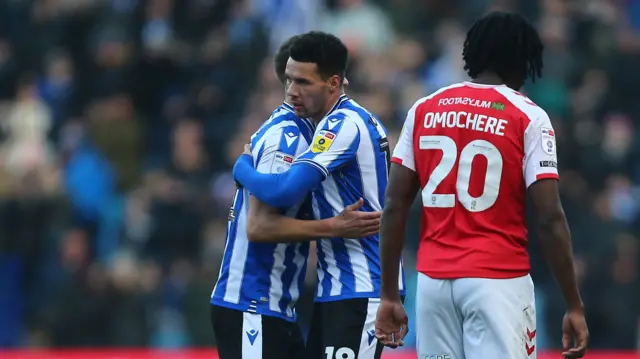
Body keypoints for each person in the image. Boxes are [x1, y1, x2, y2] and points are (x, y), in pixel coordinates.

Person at [374, 11, 589, 359]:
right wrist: (574, 304)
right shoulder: (528, 116)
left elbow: (395, 204)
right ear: (523, 61)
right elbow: (549, 218)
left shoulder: (424, 108)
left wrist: (388, 294)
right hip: (498, 280)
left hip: (432, 284)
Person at [233, 31, 404, 359]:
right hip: (336, 290)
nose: (291, 92)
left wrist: (242, 166)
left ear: (333, 83)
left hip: (361, 288)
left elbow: (284, 191)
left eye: (303, 83)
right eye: (288, 80)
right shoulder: (348, 120)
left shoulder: (342, 125)